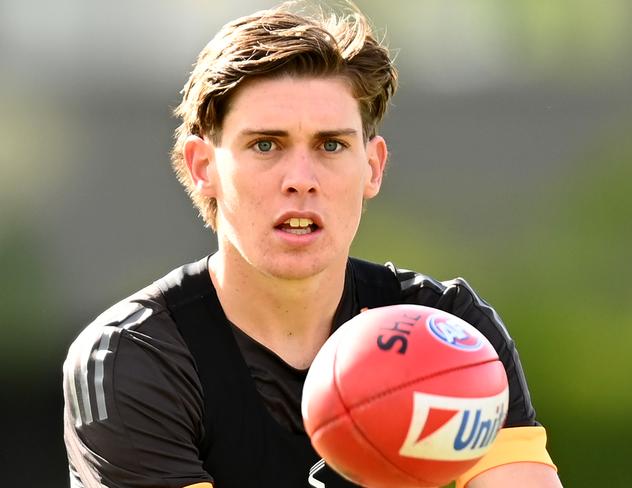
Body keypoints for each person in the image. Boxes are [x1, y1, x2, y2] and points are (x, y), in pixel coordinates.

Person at [63, 2, 562, 487]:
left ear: (373, 166)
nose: (301, 179)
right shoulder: (132, 356)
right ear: (203, 167)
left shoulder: (451, 331)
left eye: (331, 145)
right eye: (265, 145)